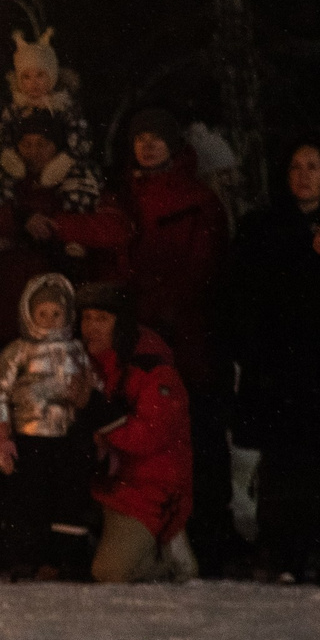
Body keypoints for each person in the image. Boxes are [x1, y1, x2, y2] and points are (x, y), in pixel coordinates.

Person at [225, 137, 320, 584]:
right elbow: (243, 292)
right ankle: (281, 551)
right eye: (295, 167)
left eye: (313, 167)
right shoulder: (261, 226)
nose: (303, 176)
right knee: (282, 464)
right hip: (278, 365)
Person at [116, 107, 233, 572]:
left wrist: (160, 306)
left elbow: (203, 270)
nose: (147, 146)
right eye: (140, 137)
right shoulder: (120, 198)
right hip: (135, 333)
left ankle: (208, 533)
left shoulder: (198, 201)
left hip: (184, 335)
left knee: (196, 434)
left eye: (156, 138)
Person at [0, 110, 129, 359]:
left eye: (42, 144)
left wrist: (58, 226)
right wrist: (15, 220)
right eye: (25, 144)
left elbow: (115, 228)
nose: (32, 151)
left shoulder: (81, 186)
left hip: (57, 321)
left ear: (57, 148)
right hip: (4, 318)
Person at [79, 281, 199, 583]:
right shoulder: (90, 365)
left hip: (149, 489)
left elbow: (150, 436)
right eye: (86, 318)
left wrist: (96, 412)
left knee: (109, 573)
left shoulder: (154, 371)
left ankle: (168, 557)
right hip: (109, 484)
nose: (91, 327)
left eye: (102, 319)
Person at [0, 273, 95, 577]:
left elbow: (94, 388)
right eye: (42, 314)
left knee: (66, 499)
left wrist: (85, 397)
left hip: (67, 439)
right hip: (29, 438)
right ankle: (28, 555)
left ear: (68, 314)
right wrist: (1, 437)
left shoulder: (78, 352)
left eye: (56, 314)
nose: (49, 320)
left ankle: (64, 559)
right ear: (29, 314)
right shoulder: (17, 352)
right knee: (30, 499)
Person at [0, 29, 98, 211]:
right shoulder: (15, 108)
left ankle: (71, 213)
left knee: (79, 177)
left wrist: (66, 159)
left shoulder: (65, 105)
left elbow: (81, 136)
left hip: (61, 161)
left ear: (52, 76)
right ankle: (2, 212)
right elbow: (0, 133)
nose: (33, 83)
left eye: (40, 75)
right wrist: (6, 154)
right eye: (26, 77)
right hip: (22, 162)